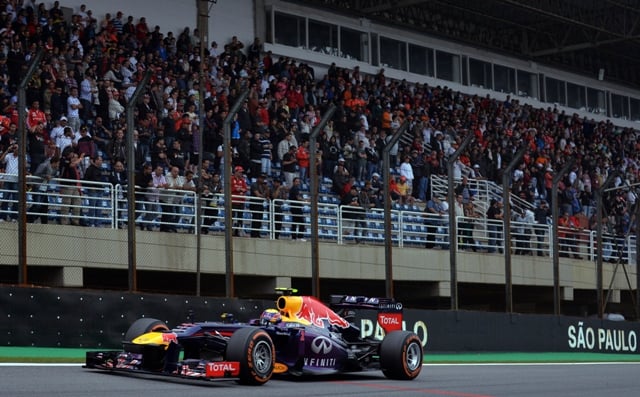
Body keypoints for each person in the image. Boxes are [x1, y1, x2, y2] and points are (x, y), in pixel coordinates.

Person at [27, 156, 60, 224]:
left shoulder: (54, 169)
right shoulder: (44, 165)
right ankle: (28, 218)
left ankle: (31, 218)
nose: (58, 165)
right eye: (57, 163)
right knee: (37, 205)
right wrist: (45, 176)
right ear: (54, 162)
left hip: (44, 188)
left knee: (42, 205)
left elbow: (54, 175)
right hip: (38, 187)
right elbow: (37, 173)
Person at [83, 155, 109, 227]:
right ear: (96, 160)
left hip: (100, 190)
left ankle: (97, 223)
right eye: (100, 160)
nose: (101, 161)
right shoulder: (90, 169)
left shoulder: (101, 169)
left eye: (101, 160)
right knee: (92, 207)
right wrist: (91, 186)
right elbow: (86, 179)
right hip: (93, 190)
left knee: (99, 208)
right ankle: (91, 222)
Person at [250, 173, 270, 237]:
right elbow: (258, 195)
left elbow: (267, 196)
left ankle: (257, 233)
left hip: (260, 204)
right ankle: (253, 234)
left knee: (259, 219)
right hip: (254, 204)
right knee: (255, 218)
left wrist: (266, 190)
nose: (262, 180)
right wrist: (264, 193)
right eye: (261, 178)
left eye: (263, 178)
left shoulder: (263, 186)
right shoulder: (254, 185)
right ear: (258, 178)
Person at [231, 165, 248, 236]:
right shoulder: (231, 179)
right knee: (232, 217)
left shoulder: (242, 180)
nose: (241, 173)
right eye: (240, 172)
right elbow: (230, 188)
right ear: (236, 172)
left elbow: (245, 189)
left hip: (241, 201)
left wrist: (240, 189)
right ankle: (230, 231)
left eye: (241, 172)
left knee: (240, 217)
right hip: (233, 201)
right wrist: (236, 189)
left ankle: (238, 231)